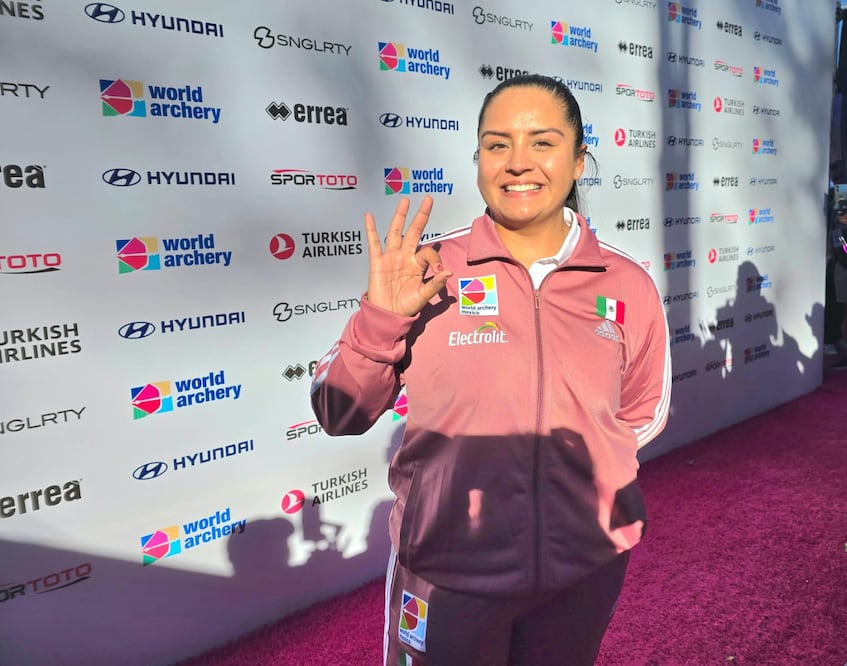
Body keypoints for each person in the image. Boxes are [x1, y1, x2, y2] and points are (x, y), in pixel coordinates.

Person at [310, 74, 671, 665]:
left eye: (542, 142)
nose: (517, 162)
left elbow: (639, 412)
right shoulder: (429, 269)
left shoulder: (627, 284)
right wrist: (380, 318)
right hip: (447, 577)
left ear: (580, 160)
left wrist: (577, 498)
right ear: (478, 159)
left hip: (584, 570)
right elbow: (337, 413)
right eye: (497, 144)